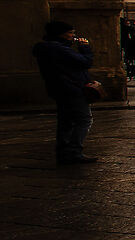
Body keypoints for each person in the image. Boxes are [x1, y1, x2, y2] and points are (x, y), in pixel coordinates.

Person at [32, 19, 97, 165]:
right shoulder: (59, 49)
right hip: (72, 89)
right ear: (60, 34)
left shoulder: (46, 48)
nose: (73, 36)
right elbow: (85, 62)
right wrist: (85, 48)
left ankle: (63, 152)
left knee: (66, 121)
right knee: (84, 119)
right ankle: (74, 151)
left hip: (59, 88)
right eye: (70, 33)